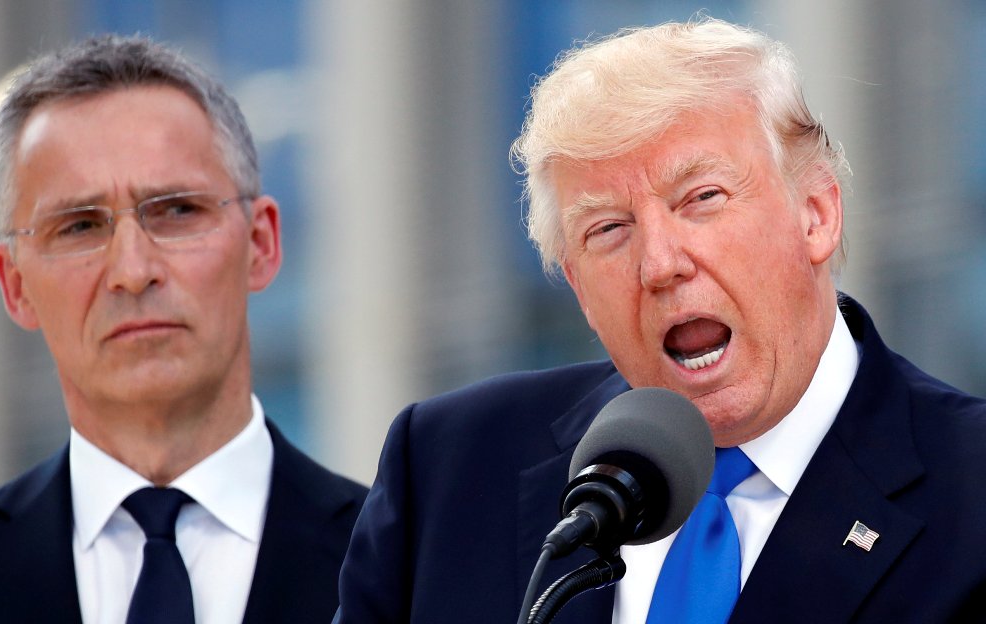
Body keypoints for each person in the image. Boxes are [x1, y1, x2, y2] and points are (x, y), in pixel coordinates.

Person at [335, 17, 986, 623]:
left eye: (702, 198)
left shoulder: (971, 488)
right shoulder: (448, 468)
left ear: (816, 215)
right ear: (578, 288)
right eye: (608, 229)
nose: (660, 264)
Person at [0, 34, 367, 624]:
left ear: (261, 244)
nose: (133, 271)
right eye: (79, 227)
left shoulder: (405, 566)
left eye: (177, 211)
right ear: (15, 284)